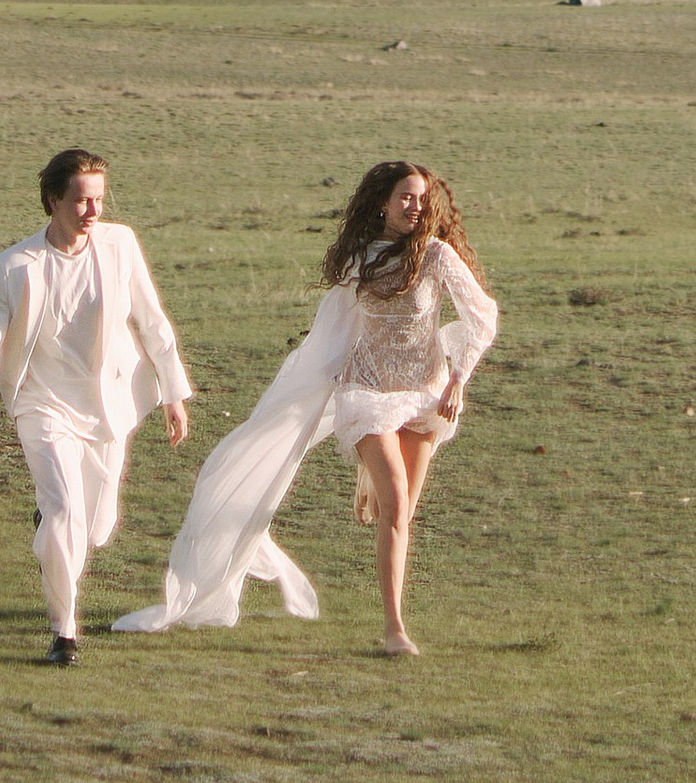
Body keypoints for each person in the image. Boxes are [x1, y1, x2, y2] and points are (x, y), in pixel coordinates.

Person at [116, 160, 496, 656]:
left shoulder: (437, 256)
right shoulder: (361, 259)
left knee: (402, 511)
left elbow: (481, 316)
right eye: (406, 197)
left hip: (426, 393)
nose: (415, 207)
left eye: (422, 199)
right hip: (366, 391)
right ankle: (394, 628)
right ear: (383, 202)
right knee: (397, 506)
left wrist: (458, 380)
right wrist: (310, 387)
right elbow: (334, 331)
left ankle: (371, 482)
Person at [0, 147, 195, 666]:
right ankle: (65, 632)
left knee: (95, 528)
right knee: (63, 513)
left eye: (99, 199)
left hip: (108, 405)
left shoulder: (120, 244)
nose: (92, 211)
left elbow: (152, 320)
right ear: (53, 200)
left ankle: (52, 531)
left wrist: (174, 392)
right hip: (43, 406)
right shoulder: (16, 267)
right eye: (81, 200)